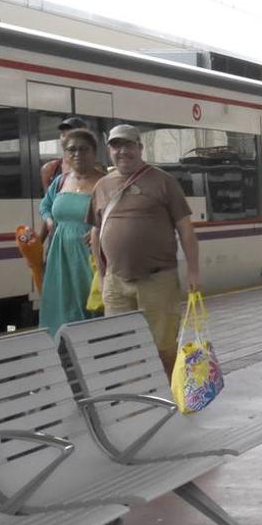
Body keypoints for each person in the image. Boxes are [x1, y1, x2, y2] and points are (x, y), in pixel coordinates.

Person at [88, 125, 201, 377]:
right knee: (122, 345)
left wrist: (193, 271)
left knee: (163, 346)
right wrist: (103, 274)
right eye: (116, 146)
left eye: (128, 145)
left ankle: (170, 396)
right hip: (116, 283)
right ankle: (138, 395)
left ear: (140, 148)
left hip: (157, 279)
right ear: (109, 150)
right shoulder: (103, 186)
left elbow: (185, 229)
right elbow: (96, 233)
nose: (122, 151)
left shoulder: (163, 181)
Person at [38, 128, 104, 336]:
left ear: (94, 152)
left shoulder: (104, 182)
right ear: (65, 153)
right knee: (61, 301)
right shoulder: (60, 182)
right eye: (71, 149)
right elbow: (45, 206)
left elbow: (120, 214)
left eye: (84, 149)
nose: (77, 154)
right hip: (60, 255)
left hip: (90, 256)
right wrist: (49, 221)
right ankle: (61, 351)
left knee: (89, 302)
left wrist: (100, 230)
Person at [38, 116, 106, 240]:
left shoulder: (101, 175)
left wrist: (98, 231)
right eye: (63, 134)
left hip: (90, 246)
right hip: (59, 240)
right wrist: (40, 242)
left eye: (83, 148)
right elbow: (48, 205)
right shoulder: (51, 170)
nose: (67, 136)